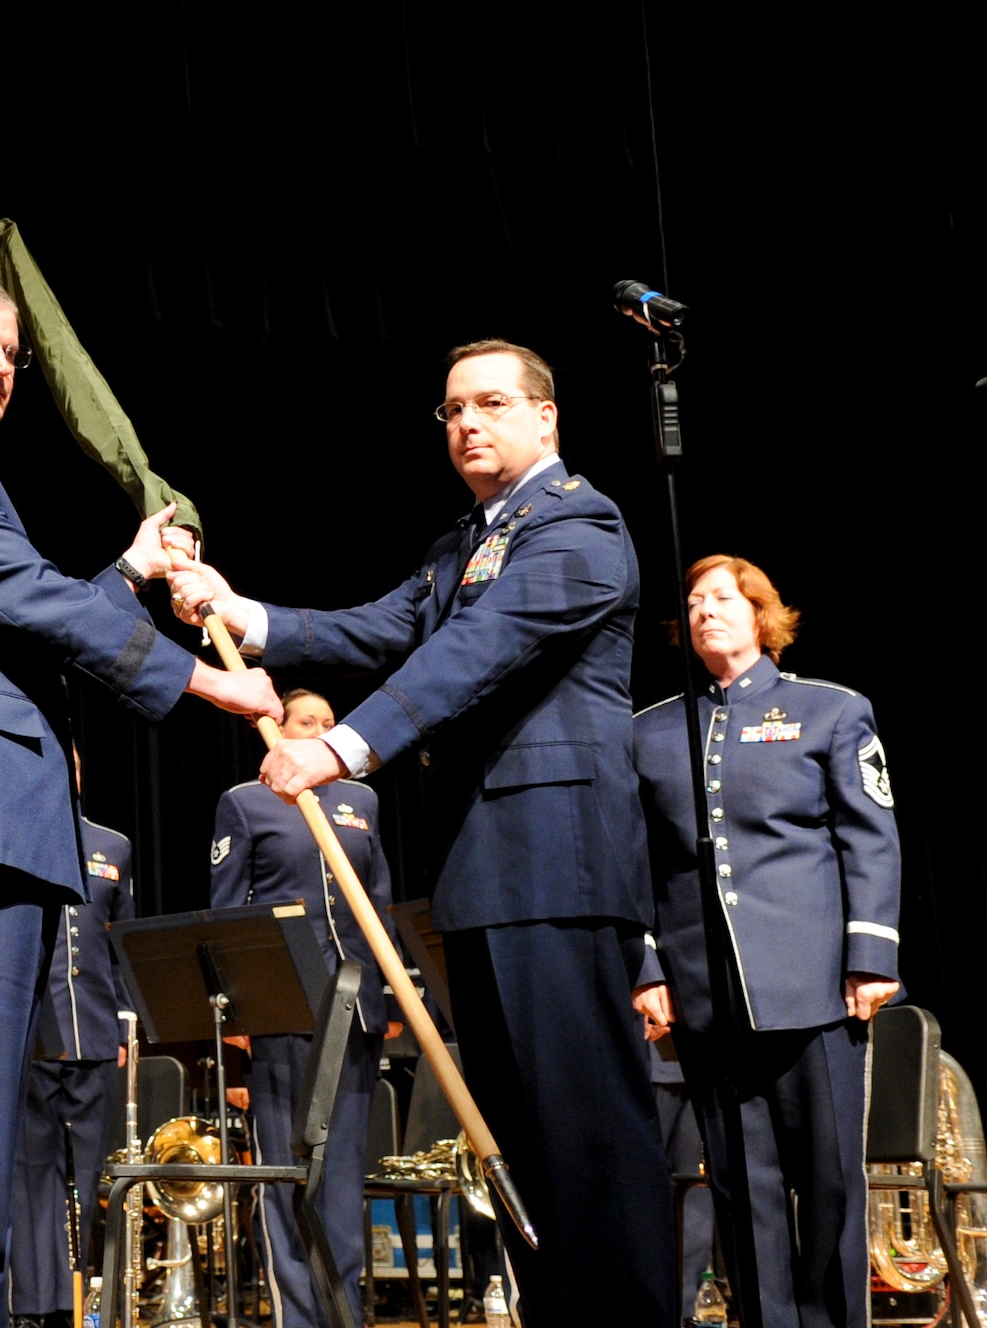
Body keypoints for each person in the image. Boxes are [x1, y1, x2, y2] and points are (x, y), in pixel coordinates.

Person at [168, 340, 675, 1326]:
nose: (465, 423)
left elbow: (477, 654)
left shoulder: (578, 526)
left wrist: (343, 746)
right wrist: (244, 612)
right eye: (449, 410)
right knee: (518, 1135)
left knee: (585, 1132)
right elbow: (375, 628)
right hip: (483, 874)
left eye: (488, 402)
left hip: (557, 867)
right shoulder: (464, 542)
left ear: (545, 416)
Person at [0, 271, 280, 1328]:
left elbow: (24, 623)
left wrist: (126, 573)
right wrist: (202, 678)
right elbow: (30, 602)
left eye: (10, 354)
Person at [633, 556, 900, 1328]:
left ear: (762, 616)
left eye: (723, 598)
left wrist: (871, 956)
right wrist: (649, 965)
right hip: (706, 993)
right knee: (740, 1190)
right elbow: (638, 862)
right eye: (693, 602)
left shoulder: (830, 711)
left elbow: (870, 838)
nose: (705, 611)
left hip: (815, 987)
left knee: (828, 1186)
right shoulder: (648, 732)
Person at [208, 689, 401, 1328]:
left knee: (343, 1174)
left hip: (358, 1009)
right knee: (290, 1170)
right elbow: (229, 914)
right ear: (276, 729)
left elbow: (379, 905)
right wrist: (238, 1023)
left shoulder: (362, 801)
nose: (318, 728)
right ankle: (297, 1315)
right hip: (284, 1009)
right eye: (306, 721)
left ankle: (342, 1312)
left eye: (327, 722)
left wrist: (394, 989)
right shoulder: (246, 802)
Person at [10, 750, 133, 1328]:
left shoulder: (113, 844)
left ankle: (80, 1297)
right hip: (31, 1031)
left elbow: (122, 940)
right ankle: (37, 1304)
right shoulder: (10, 835)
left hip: (96, 1029)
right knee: (32, 1172)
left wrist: (128, 1018)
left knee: (86, 1172)